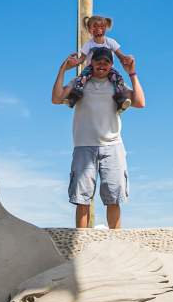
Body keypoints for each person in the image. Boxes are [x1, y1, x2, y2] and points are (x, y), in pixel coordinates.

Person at [51, 46, 145, 229]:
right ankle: (81, 243)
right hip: (84, 146)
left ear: (111, 65)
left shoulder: (117, 85)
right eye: (98, 60)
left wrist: (132, 73)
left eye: (107, 61)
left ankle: (116, 243)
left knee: (113, 198)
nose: (102, 64)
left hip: (113, 147)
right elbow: (56, 98)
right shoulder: (79, 83)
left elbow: (140, 102)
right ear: (91, 63)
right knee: (82, 199)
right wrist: (63, 68)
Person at [67, 15, 132, 111]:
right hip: (92, 69)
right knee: (81, 78)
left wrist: (126, 58)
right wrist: (75, 61)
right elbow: (82, 59)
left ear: (106, 28)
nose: (98, 29)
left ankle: (120, 99)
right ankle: (74, 96)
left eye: (101, 27)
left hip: (108, 69)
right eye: (95, 27)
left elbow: (120, 55)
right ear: (89, 29)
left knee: (118, 79)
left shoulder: (110, 42)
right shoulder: (88, 44)